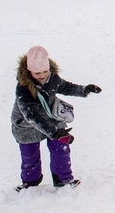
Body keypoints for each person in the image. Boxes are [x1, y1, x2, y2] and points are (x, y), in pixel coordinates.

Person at [11, 46, 101, 190]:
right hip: (26, 125)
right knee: (30, 155)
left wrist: (84, 90)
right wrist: (54, 132)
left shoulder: (52, 78)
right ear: (29, 71)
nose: (42, 75)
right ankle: (30, 182)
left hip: (51, 117)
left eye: (45, 71)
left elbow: (65, 87)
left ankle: (63, 178)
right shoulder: (23, 89)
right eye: (37, 72)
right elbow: (31, 116)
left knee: (61, 147)